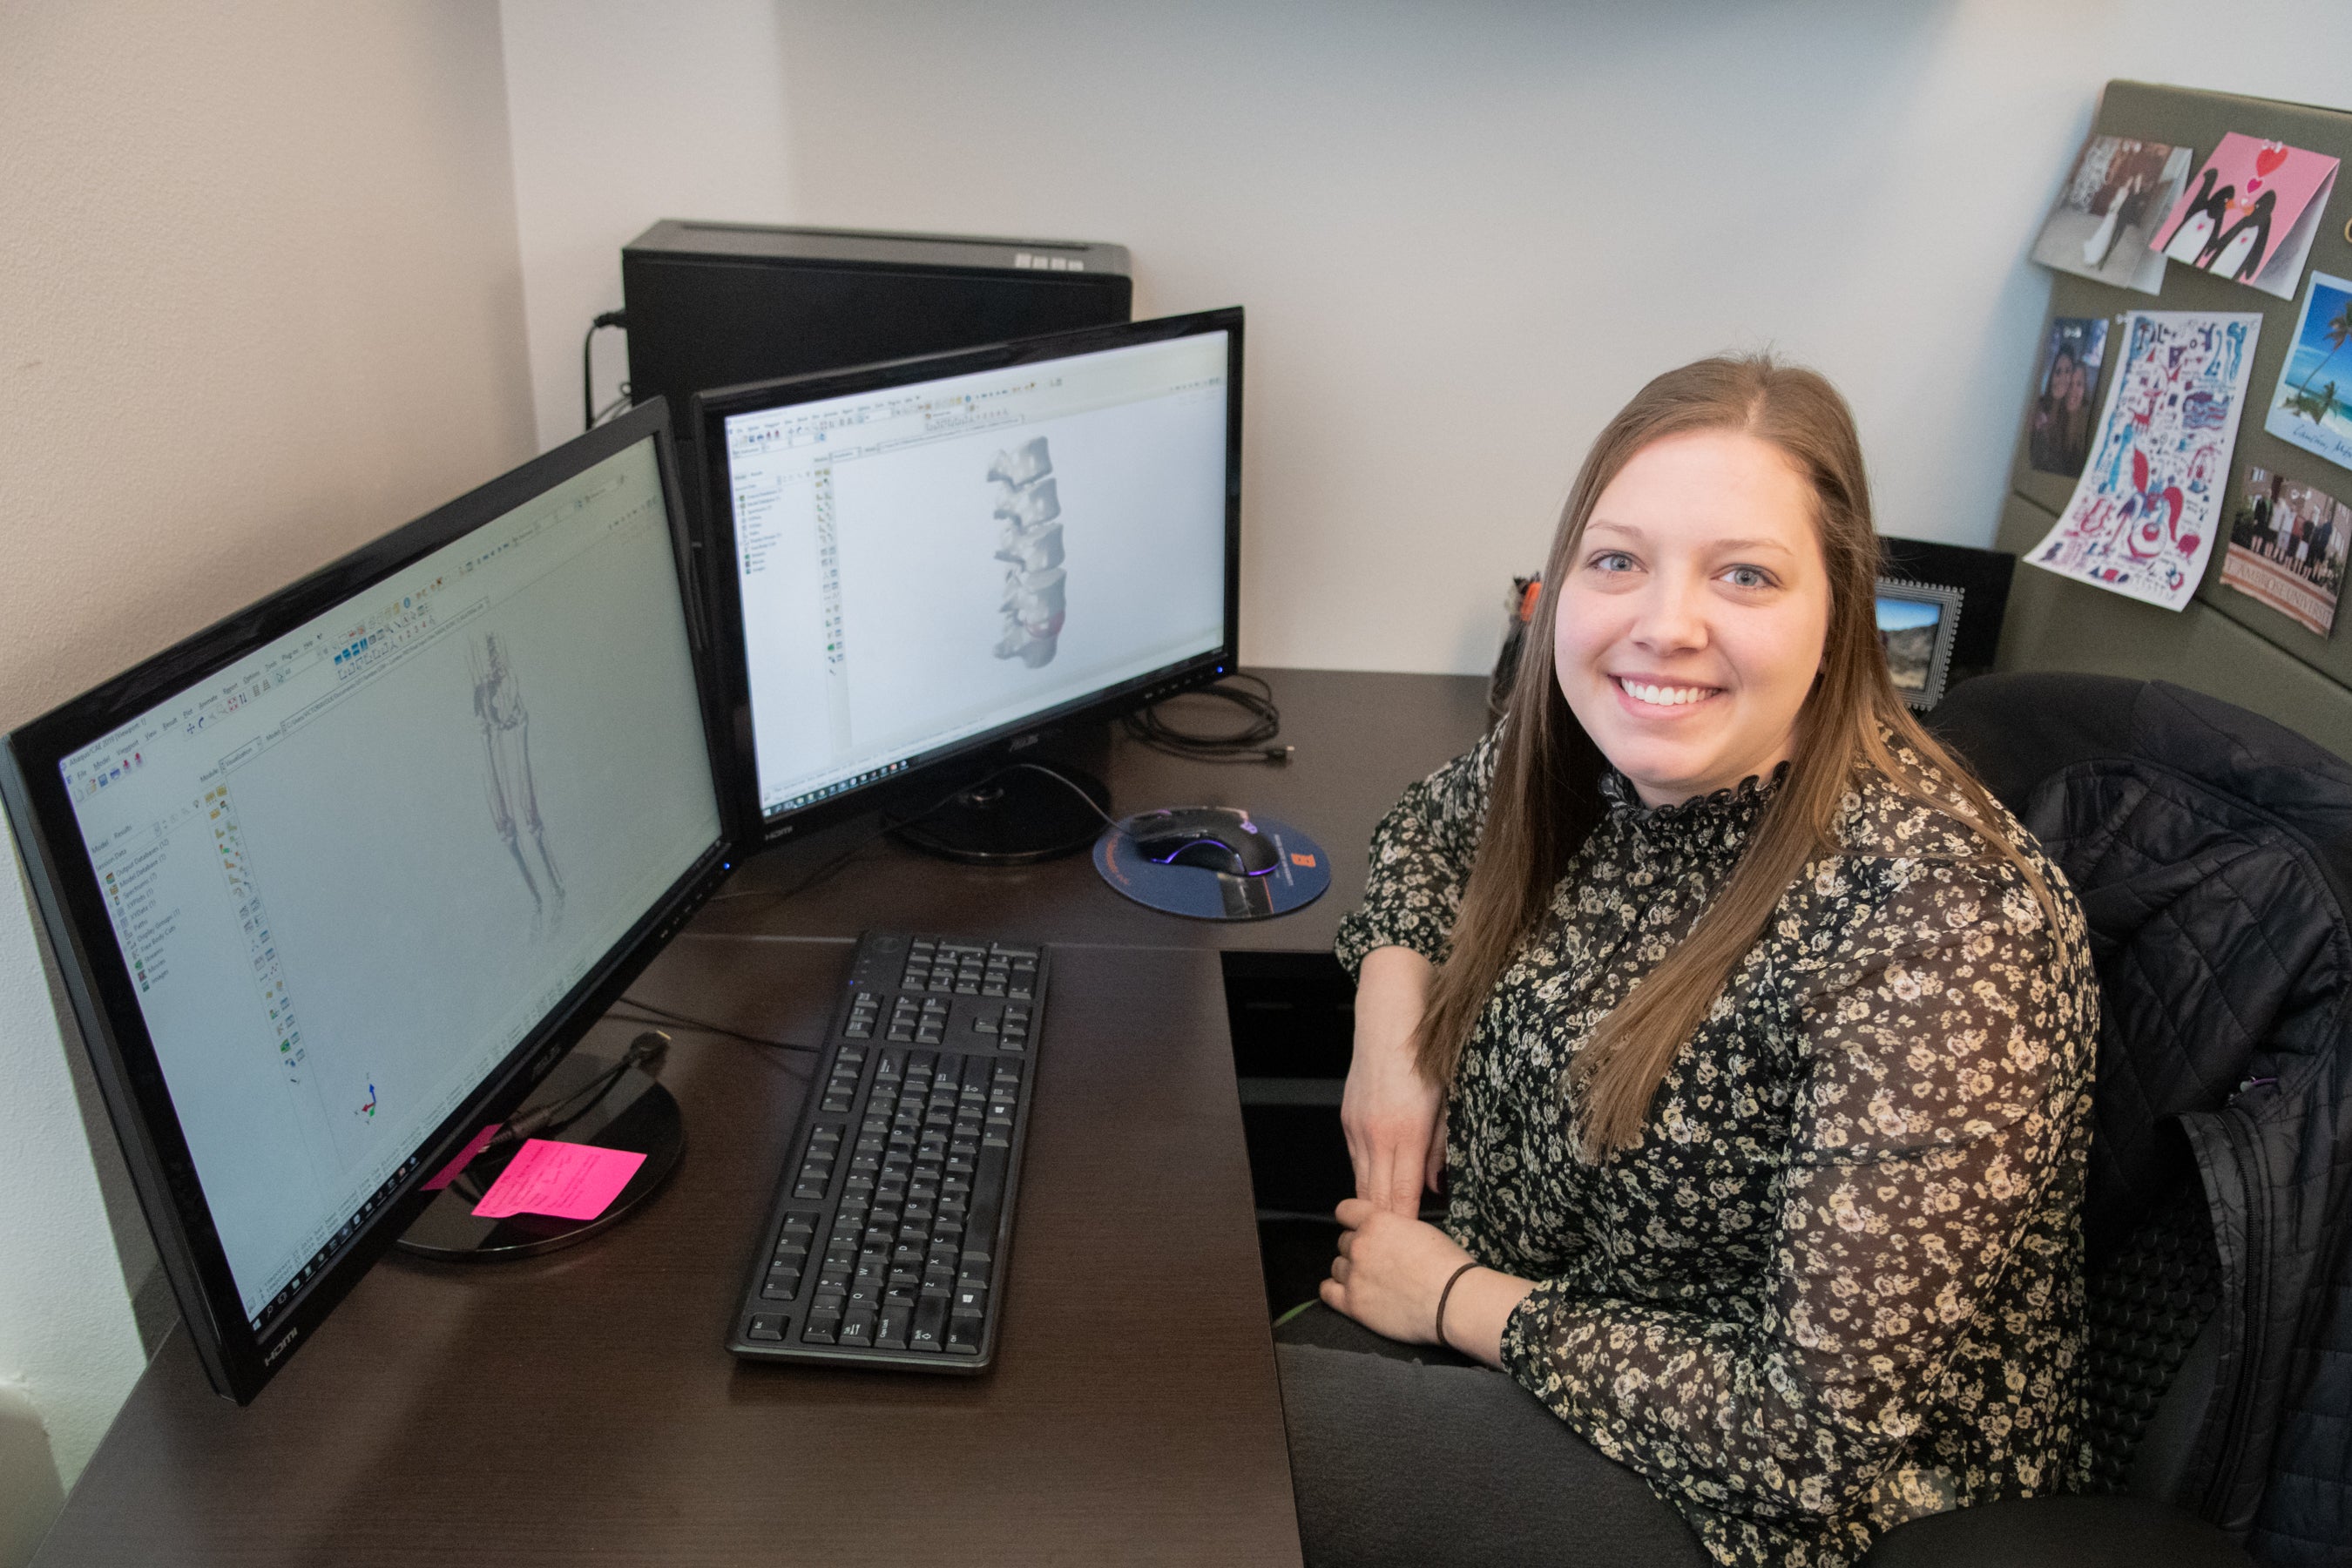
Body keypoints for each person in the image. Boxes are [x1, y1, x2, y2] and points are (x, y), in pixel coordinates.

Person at [1275, 355, 2099, 1568]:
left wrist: (1456, 1299)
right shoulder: (1608, 742)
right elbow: (1434, 831)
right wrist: (1394, 1032)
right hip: (1547, 1342)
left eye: (1746, 576)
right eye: (1619, 561)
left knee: (1220, 1445)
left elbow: (1810, 1440)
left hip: (1790, 1517)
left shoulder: (1944, 921)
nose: (1665, 623)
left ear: (1841, 610)